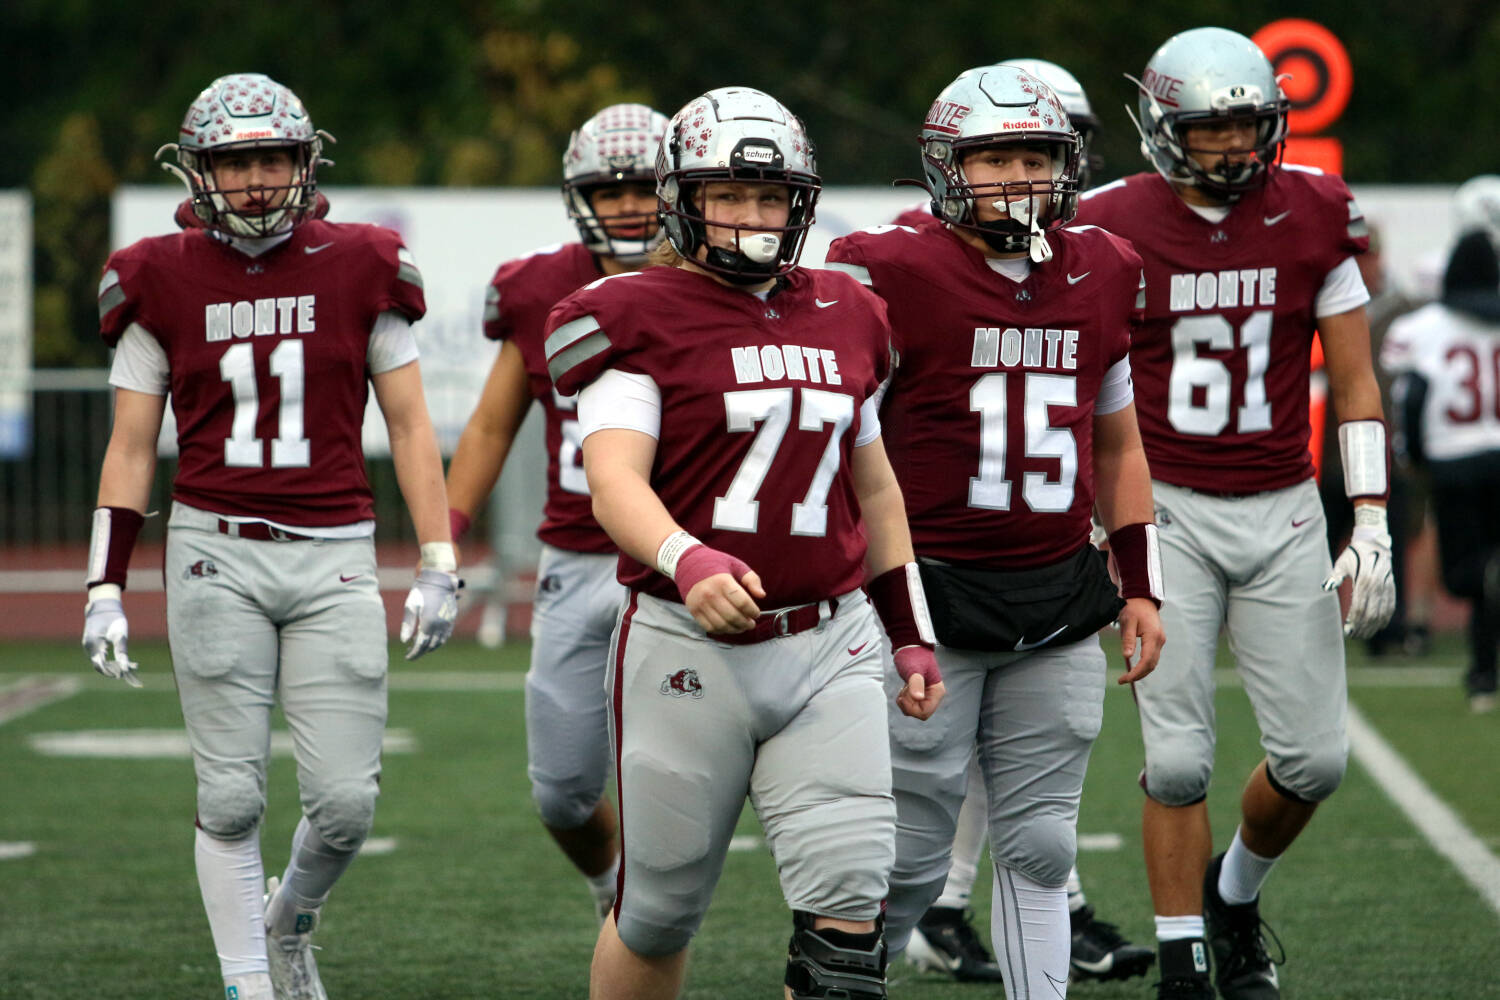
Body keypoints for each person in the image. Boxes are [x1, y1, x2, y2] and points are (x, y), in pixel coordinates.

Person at [545, 86, 943, 1000]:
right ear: (683, 198)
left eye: (771, 197)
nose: (753, 217)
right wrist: (686, 556)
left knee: (849, 907)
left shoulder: (849, 313)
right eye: (730, 195)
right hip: (688, 647)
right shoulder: (626, 311)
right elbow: (614, 482)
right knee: (656, 914)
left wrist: (910, 630)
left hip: (831, 641)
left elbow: (874, 487)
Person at [81, 73, 460, 1000]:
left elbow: (409, 427)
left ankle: (288, 921)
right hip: (215, 547)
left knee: (343, 805)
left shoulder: (367, 262)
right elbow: (132, 447)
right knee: (233, 797)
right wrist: (103, 585)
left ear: (305, 162)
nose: (254, 181)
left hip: (334, 547)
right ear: (201, 171)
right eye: (236, 162)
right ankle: (250, 982)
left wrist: (440, 557)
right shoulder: (154, 276)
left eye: (271, 159)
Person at [825, 64, 1165, 999]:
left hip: (1056, 589)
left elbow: (1119, 442)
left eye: (1036, 155)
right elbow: (840, 439)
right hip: (923, 596)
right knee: (910, 850)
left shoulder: (1104, 268)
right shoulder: (886, 271)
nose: (1019, 175)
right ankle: (850, 982)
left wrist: (1138, 581)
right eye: (996, 156)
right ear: (946, 167)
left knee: (1045, 840)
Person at [1073, 27, 1395, 999]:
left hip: (1284, 506)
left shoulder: (1313, 210)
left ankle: (1235, 896)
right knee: (1175, 760)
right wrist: (1102, 515)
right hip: (1167, 505)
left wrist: (1369, 515)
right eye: (1210, 130)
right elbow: (1082, 378)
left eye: (1246, 127)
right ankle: (1184, 960)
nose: (1231, 148)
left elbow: (1354, 380)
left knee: (1315, 759)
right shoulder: (1109, 223)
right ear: (1164, 128)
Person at [444, 102, 668, 922]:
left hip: (688, 560)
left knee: (693, 780)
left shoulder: (719, 279)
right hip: (577, 559)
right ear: (579, 197)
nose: (628, 204)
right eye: (607, 190)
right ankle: (616, 891)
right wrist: (444, 540)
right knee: (564, 793)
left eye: (643, 185)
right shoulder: (540, 286)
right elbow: (493, 422)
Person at [1384, 228, 1500, 712]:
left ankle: (1482, 675)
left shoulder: (1420, 329)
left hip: (1452, 462)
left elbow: (1410, 399)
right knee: (1482, 576)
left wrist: (1411, 458)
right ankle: (1482, 672)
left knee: (1465, 577)